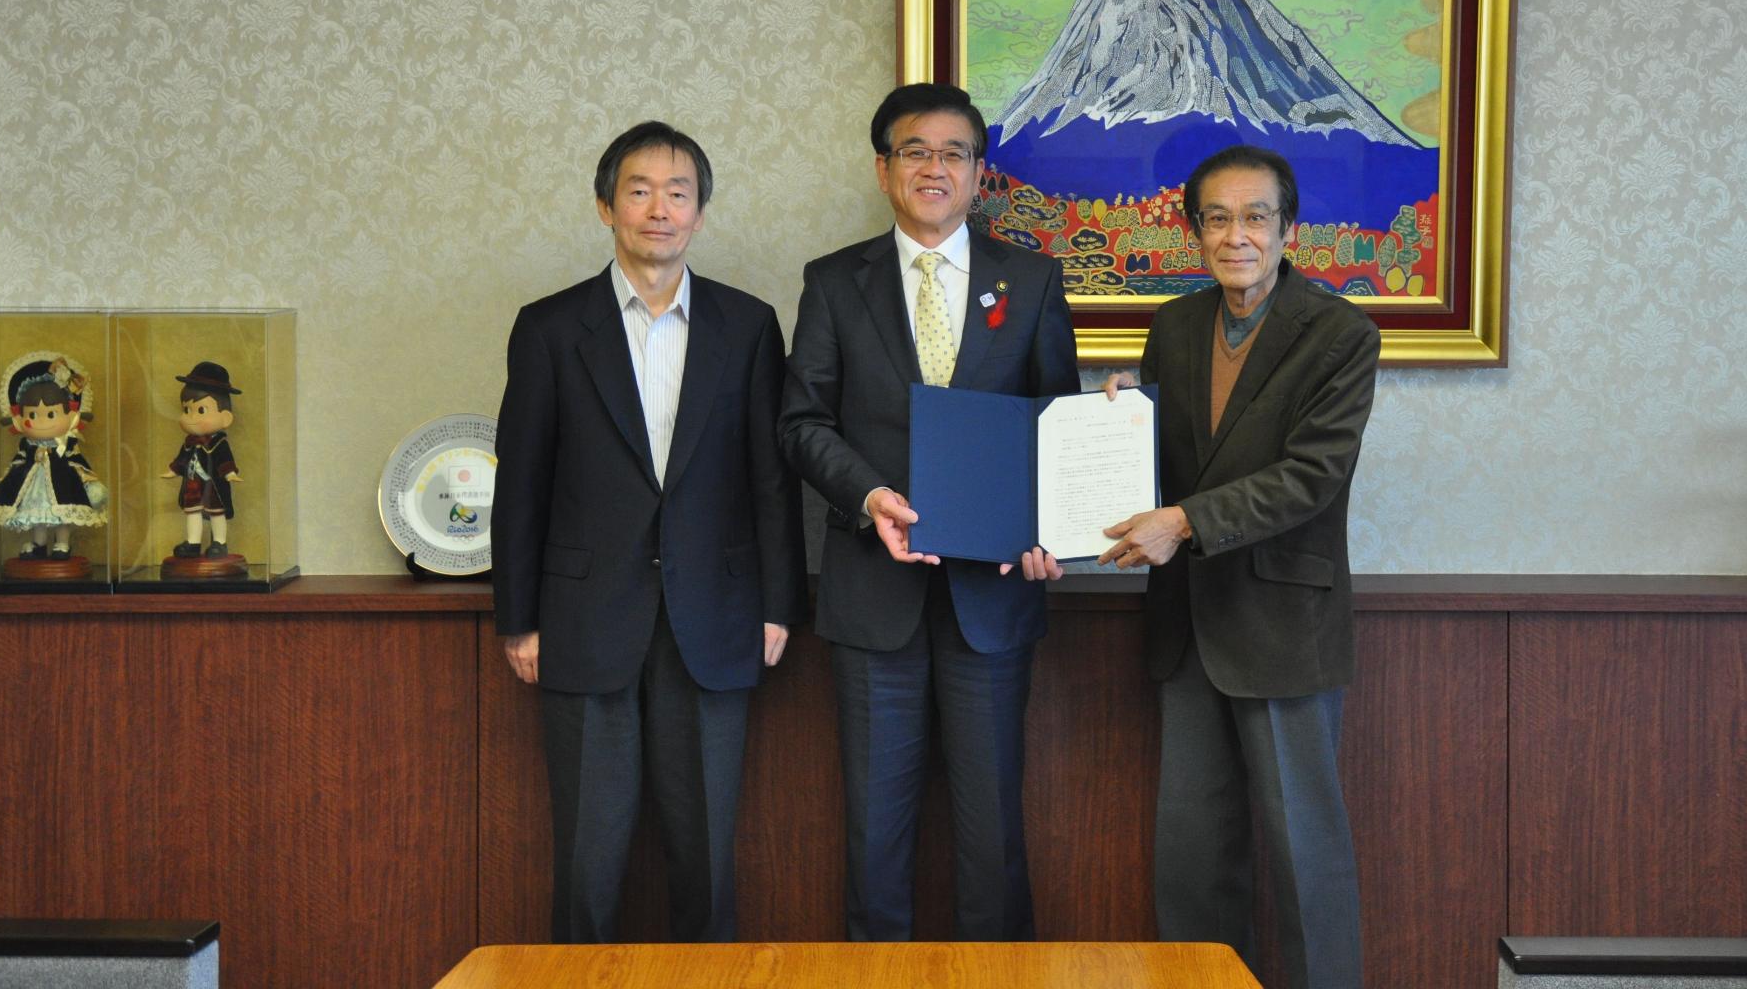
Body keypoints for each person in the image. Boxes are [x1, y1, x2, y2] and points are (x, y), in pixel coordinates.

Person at [779, 82, 1079, 941]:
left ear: (979, 173)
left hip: (993, 597)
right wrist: (870, 496)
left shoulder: (1032, 278)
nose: (935, 167)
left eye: (954, 152)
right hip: (874, 597)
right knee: (876, 834)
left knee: (993, 832)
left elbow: (1055, 424)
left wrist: (1049, 532)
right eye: (916, 151)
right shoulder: (836, 282)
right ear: (883, 170)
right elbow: (800, 423)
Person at [491, 120, 804, 943]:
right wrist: (518, 618)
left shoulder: (749, 325)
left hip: (718, 615)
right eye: (639, 191)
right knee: (588, 858)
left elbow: (769, 482)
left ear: (700, 212)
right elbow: (521, 483)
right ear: (605, 207)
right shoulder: (551, 328)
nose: (658, 210)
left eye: (678, 193)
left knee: (705, 856)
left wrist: (780, 604)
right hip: (584, 618)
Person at [1100, 144, 1379, 989]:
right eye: (1216, 218)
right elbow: (1158, 468)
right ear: (1194, 231)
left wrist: (1182, 521)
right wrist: (1112, 430)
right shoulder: (1174, 327)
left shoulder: (1340, 334)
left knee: (1305, 861)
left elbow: (1311, 478)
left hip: (1282, 627)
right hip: (1186, 628)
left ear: (1289, 229)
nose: (1236, 236)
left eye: (1255, 216)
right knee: (1191, 856)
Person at [0, 352, 108, 556]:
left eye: (51, 414)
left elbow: (76, 458)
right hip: (34, 484)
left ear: (71, 414)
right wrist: (9, 474)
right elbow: (20, 459)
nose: (40, 422)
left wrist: (86, 476)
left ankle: (62, 543)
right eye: (32, 415)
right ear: (19, 416)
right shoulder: (28, 443)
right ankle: (39, 544)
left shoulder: (66, 442)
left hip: (64, 483)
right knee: (38, 516)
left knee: (63, 514)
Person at [161, 361, 242, 558]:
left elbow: (225, 459)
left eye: (201, 411)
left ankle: (219, 542)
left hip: (213, 484)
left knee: (216, 512)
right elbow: (182, 458)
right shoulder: (190, 441)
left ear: (225, 418)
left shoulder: (219, 442)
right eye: (186, 410)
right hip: (194, 484)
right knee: (192, 512)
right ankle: (193, 542)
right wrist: (173, 470)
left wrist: (230, 473)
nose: (189, 418)